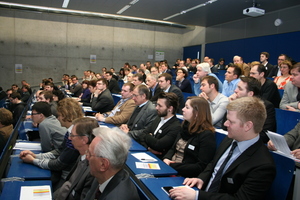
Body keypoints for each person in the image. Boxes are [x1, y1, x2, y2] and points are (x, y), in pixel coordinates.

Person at [169, 97, 276, 200]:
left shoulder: (263, 165)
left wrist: (197, 196)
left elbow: (240, 199)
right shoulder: (230, 140)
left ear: (248, 126)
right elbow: (213, 165)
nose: (225, 124)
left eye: (231, 121)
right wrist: (201, 178)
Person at [19, 98, 84, 190]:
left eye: (59, 115)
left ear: (66, 116)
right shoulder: (70, 131)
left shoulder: (74, 136)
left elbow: (59, 164)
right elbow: (59, 150)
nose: (57, 118)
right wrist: (36, 156)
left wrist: (33, 160)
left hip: (68, 177)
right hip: (64, 171)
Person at [163, 96, 216, 177]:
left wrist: (172, 166)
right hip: (170, 168)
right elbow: (173, 148)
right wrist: (166, 159)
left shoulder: (207, 135)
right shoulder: (184, 127)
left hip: (184, 175)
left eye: (187, 107)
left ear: (197, 113)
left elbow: (200, 166)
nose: (183, 109)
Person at [85, 127, 140, 200]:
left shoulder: (117, 196)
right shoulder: (101, 178)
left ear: (103, 164)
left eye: (89, 154)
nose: (86, 157)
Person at [54, 117, 99, 200]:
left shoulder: (92, 170)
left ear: (84, 140)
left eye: (72, 135)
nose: (69, 138)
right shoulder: (81, 155)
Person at [228, 77, 276, 143]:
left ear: (250, 94)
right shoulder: (237, 102)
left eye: (240, 89)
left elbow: (265, 135)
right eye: (237, 87)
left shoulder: (266, 107)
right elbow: (225, 126)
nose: (235, 90)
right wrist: (232, 106)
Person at [135, 92, 181, 159]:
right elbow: (142, 134)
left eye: (160, 106)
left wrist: (147, 136)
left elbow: (158, 145)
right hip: (147, 153)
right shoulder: (158, 118)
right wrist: (148, 147)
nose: (156, 108)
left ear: (170, 109)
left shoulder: (175, 126)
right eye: (157, 105)